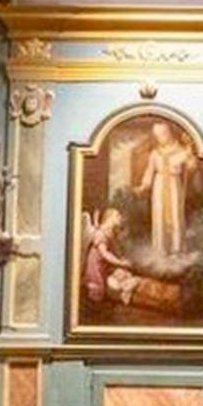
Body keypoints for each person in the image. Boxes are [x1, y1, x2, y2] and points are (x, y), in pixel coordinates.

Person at [135, 121, 196, 256]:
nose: (159, 138)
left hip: (174, 185)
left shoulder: (181, 150)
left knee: (175, 214)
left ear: (168, 134)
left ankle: (176, 249)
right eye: (156, 135)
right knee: (159, 215)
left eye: (161, 134)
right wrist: (144, 186)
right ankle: (161, 249)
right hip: (159, 185)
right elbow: (149, 171)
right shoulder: (155, 153)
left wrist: (189, 153)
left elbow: (191, 167)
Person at [83, 208, 140, 306]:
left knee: (125, 276)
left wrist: (121, 260)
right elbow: (105, 254)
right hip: (96, 266)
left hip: (105, 265)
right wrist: (120, 263)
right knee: (97, 292)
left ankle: (123, 290)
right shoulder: (101, 233)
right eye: (117, 216)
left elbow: (114, 251)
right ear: (109, 218)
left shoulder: (111, 232)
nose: (120, 218)